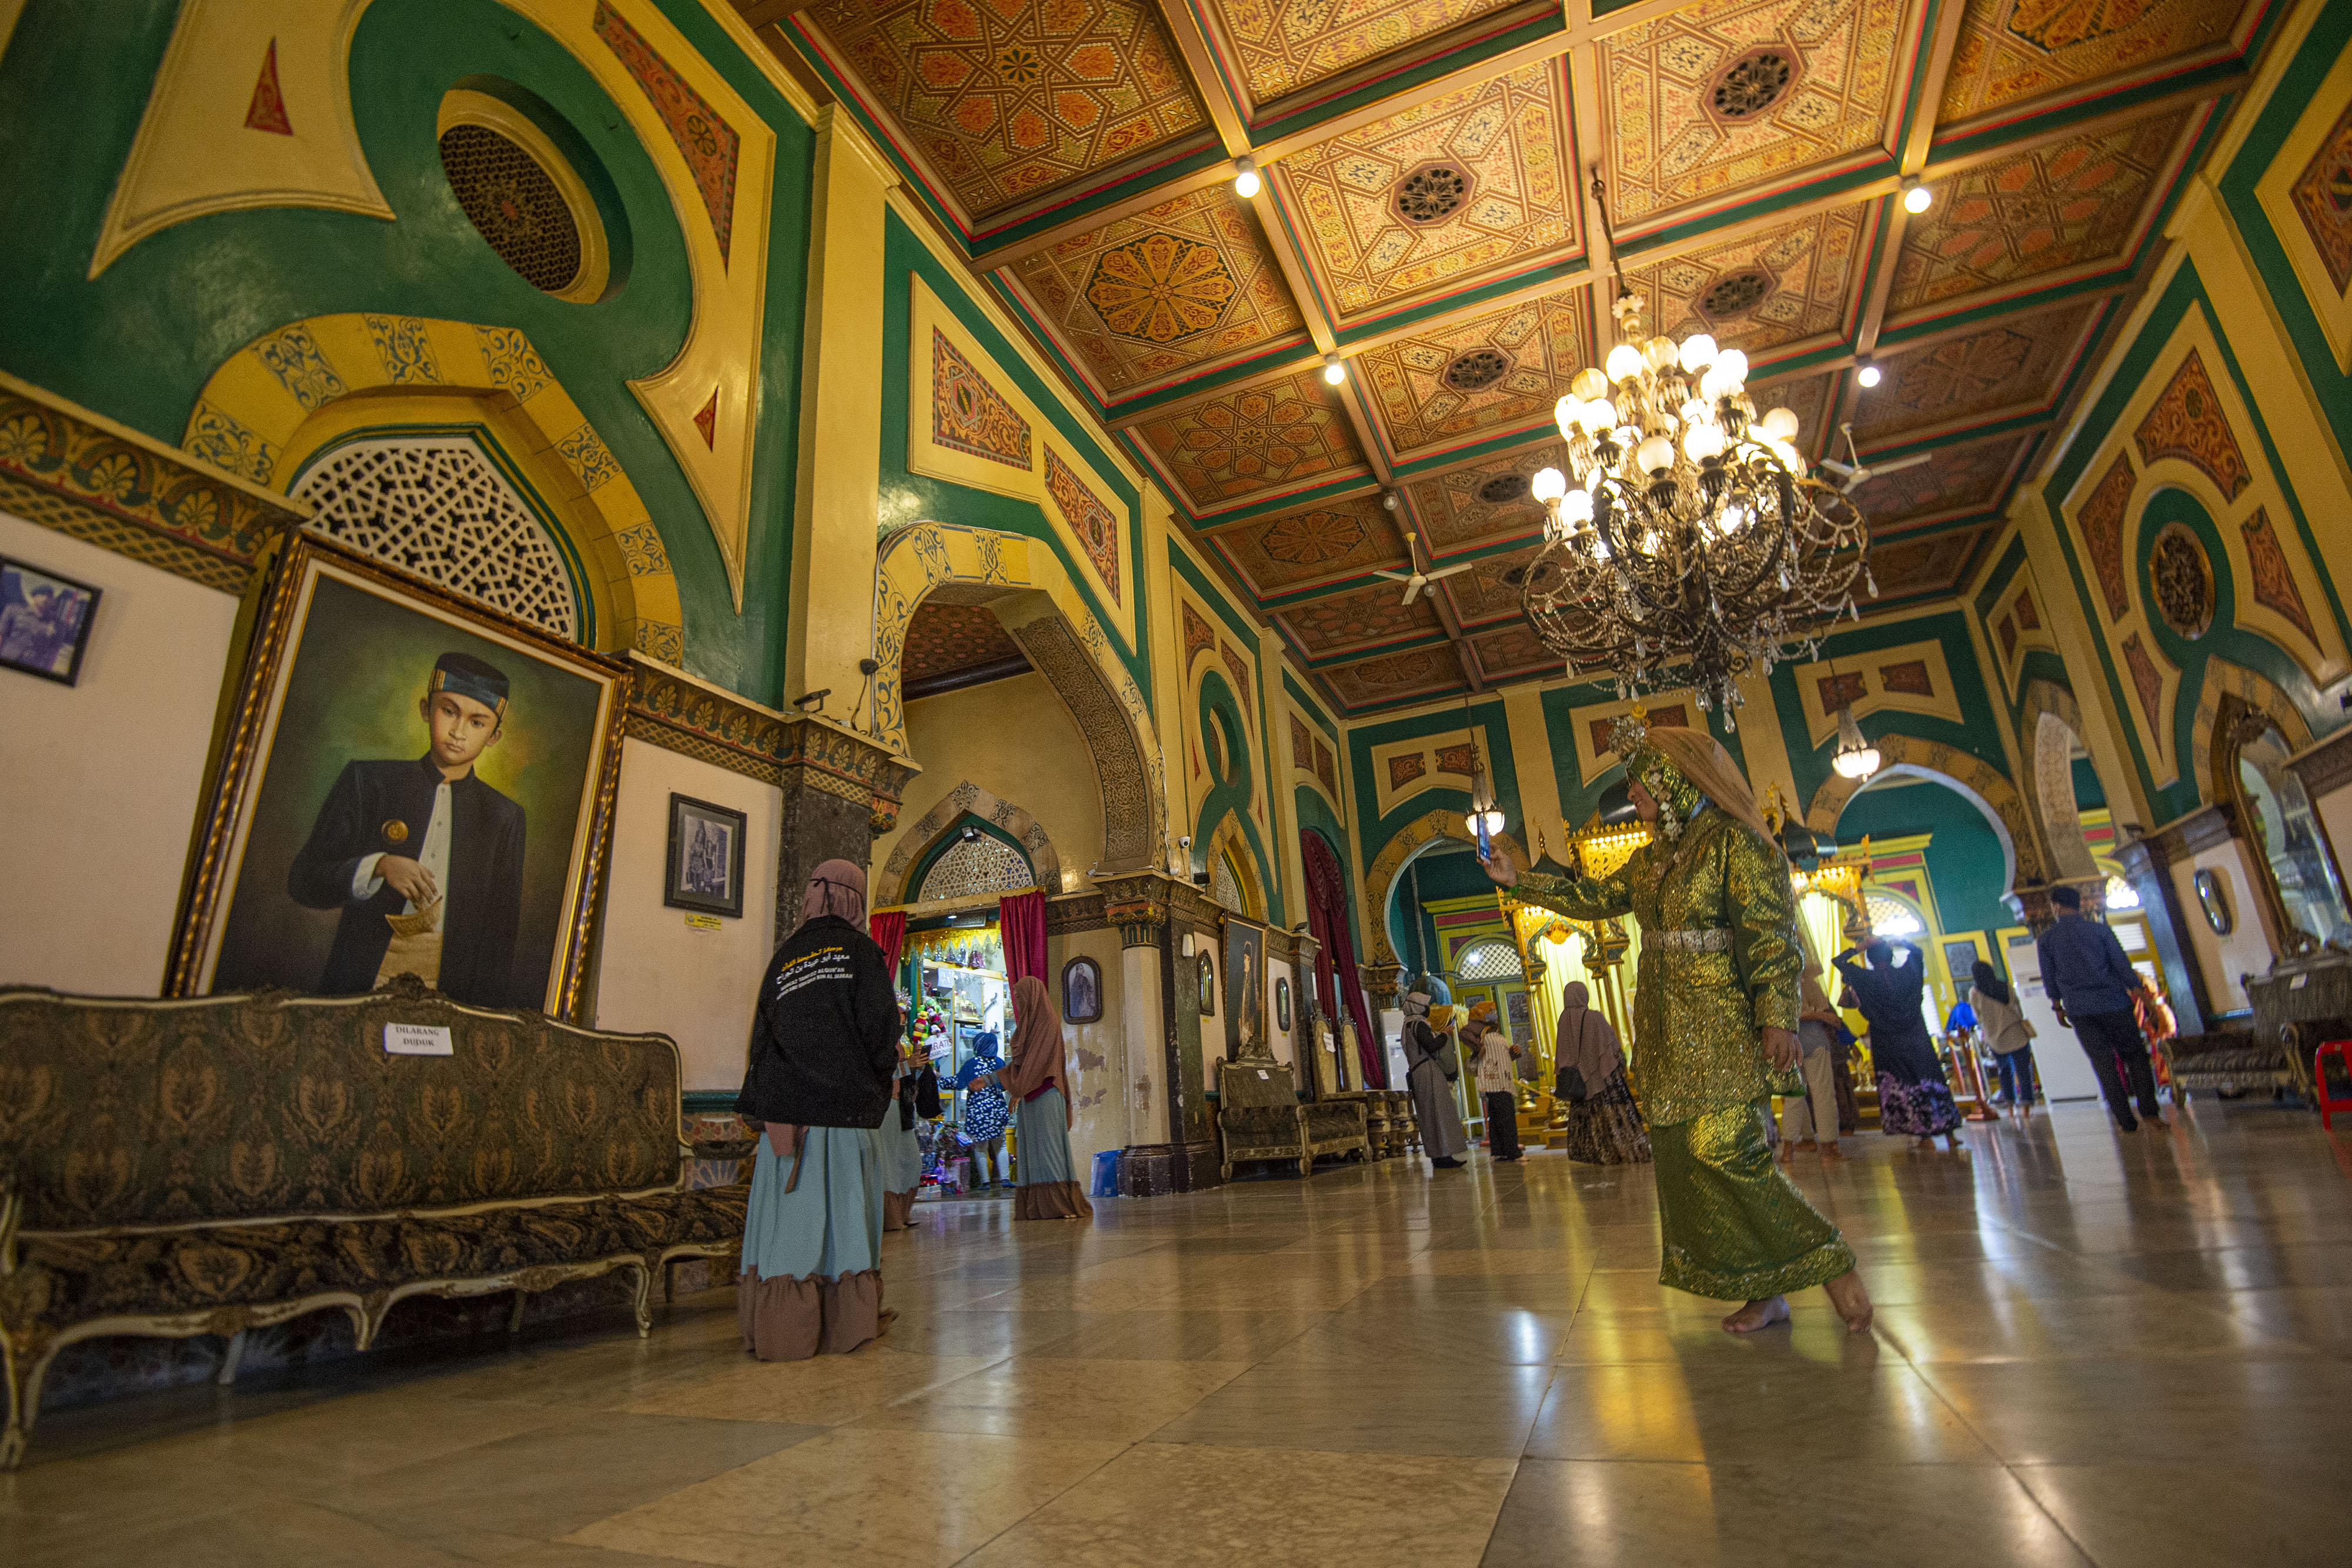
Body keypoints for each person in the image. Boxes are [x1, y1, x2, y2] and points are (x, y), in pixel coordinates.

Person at [1485, 713, 1872, 1335]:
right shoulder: (1651, 860)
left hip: (1721, 1023)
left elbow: (1770, 936)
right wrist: (1520, 882)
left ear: (1674, 783)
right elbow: (1592, 899)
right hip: (1665, 1031)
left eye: (1641, 786)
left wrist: (1776, 1015)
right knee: (1684, 1161)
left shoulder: (1733, 842)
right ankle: (1762, 1290)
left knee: (1726, 1151)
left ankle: (1831, 1263)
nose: (1633, 797)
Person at [287, 651, 526, 1007]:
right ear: (425, 710)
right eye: (449, 711)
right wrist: (380, 865)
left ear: (494, 736)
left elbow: (498, 938)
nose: (459, 732)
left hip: (449, 996)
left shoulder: (504, 817)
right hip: (360, 979)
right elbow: (305, 882)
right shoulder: (368, 782)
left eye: (477, 723)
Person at [734, 859, 903, 1360]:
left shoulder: (784, 957)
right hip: (841, 1124)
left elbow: (761, 1039)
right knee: (841, 1228)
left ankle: (782, 1328)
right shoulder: (863, 953)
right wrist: (874, 1085)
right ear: (854, 897)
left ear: (814, 894)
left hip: (785, 1124)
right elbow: (881, 1033)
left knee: (790, 1231)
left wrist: (764, 1110)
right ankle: (842, 1323)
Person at [2038, 884, 2166, 1130]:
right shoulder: (2100, 931)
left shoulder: (2047, 940)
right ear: (2079, 905)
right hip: (2115, 1004)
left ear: (2056, 906)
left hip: (2080, 1010)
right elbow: (2123, 967)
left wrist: (2058, 1008)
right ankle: (2150, 1114)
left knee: (2103, 1063)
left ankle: (2125, 1121)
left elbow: (2050, 977)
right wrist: (2146, 1000)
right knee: (2136, 1058)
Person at [1836, 940, 1964, 1149]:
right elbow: (1917, 951)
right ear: (1891, 956)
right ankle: (1949, 1134)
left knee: (1905, 1086)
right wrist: (1899, 941)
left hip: (1889, 1042)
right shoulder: (1907, 974)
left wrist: (1859, 947)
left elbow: (1839, 961)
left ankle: (1924, 1137)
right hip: (1916, 1037)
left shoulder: (1866, 979)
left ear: (1870, 959)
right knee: (1930, 1080)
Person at [985, 975, 1094, 1220]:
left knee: (1049, 1152)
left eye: (1022, 998)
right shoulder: (1031, 1026)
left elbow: (1035, 1064)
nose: (1020, 1003)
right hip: (1031, 1099)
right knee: (1032, 1155)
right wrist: (1005, 1083)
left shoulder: (1045, 1023)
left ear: (1033, 998)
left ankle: (1059, 1205)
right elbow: (1022, 1065)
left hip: (1045, 1096)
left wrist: (1018, 1087)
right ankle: (1038, 1206)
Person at [1552, 979, 1651, 1165]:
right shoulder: (1594, 1018)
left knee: (1587, 1116)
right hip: (1603, 1077)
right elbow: (1611, 1045)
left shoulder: (1563, 1020)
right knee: (1613, 1113)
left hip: (1578, 1081)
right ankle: (1619, 1150)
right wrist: (1620, 1064)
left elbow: (1562, 1052)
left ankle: (1592, 1153)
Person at [1778, 974, 1846, 1162]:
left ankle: (1788, 1150)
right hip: (1814, 1041)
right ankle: (1828, 1148)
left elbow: (1782, 1015)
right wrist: (1820, 1015)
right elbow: (1815, 1013)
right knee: (1823, 1095)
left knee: (1794, 1096)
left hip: (1791, 1043)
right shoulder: (1808, 984)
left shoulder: (1776, 982)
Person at [1401, 990, 1469, 1169]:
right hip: (1427, 1070)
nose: (1428, 1009)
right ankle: (1444, 1154)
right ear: (1419, 1007)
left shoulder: (1408, 1024)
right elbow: (1431, 1046)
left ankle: (1438, 1154)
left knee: (1429, 1115)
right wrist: (1445, 1034)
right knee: (1439, 1112)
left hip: (1419, 1072)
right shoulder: (1418, 1024)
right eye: (1426, 1006)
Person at [1970, 959, 2036, 1115]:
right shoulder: (2005, 985)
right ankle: (2026, 1105)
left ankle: (2010, 1106)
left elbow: (1977, 1017)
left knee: (2005, 1071)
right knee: (2024, 1070)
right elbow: (2017, 1006)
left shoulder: (1975, 992)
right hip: (2017, 1034)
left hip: (1996, 1038)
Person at [871, 1044, 926, 1231]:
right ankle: (892, 1218)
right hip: (886, 1106)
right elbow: (876, 1075)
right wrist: (907, 1066)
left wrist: (916, 1065)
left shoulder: (899, 1045)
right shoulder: (877, 1041)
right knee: (889, 1165)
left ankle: (902, 1213)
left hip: (902, 1108)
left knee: (912, 1162)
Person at [948, 1030, 1011, 1189]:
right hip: (997, 1112)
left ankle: (985, 1182)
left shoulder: (972, 1064)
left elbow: (959, 1083)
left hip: (978, 1113)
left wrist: (939, 1080)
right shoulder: (999, 1063)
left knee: (980, 1147)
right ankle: (1005, 1179)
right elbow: (1005, 1085)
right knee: (1001, 1145)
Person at [1469, 1006, 1523, 1161]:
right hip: (1495, 1082)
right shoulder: (1480, 1035)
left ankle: (1499, 1151)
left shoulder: (1494, 1035)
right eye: (1490, 1011)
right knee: (1506, 1117)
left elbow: (1501, 1059)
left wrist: (1511, 1053)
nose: (1494, 1014)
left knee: (1498, 1117)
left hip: (1503, 1080)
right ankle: (1512, 1152)